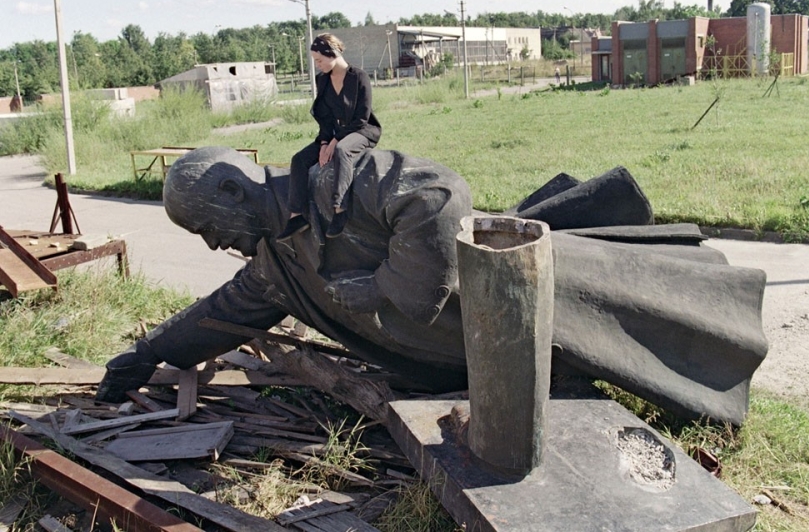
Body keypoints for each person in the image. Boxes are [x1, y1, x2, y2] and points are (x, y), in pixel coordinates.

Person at [96, 146, 769, 426]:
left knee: (654, 334)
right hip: (476, 355)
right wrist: (151, 353)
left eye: (210, 227)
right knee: (577, 379)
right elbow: (227, 313)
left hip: (525, 298)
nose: (215, 244)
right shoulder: (278, 259)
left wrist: (389, 288)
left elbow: (438, 194)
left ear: (232, 188)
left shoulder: (337, 176)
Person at [278, 33, 381, 242]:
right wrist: (325, 142)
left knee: (342, 150)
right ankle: (297, 216)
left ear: (332, 54)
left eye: (319, 60)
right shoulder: (322, 80)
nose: (317, 65)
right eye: (315, 61)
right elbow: (324, 117)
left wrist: (334, 143)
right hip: (333, 133)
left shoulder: (359, 77)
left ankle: (339, 209)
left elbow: (361, 117)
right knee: (299, 160)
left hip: (361, 130)